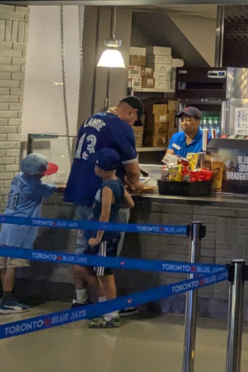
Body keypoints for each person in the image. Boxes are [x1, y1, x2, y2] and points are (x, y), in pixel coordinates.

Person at [62, 96, 142, 308]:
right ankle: (107, 305)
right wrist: (136, 184)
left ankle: (80, 299)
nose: (133, 124)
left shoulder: (90, 120)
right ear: (132, 112)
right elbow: (133, 171)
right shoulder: (121, 127)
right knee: (106, 259)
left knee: (81, 252)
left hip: (80, 192)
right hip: (103, 198)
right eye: (135, 120)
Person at [0, 154, 58, 314]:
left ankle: (6, 298)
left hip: (6, 226)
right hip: (19, 231)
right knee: (12, 265)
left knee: (5, 266)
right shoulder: (35, 186)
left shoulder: (18, 177)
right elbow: (56, 190)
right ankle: (7, 302)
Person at [85, 148, 133, 329]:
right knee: (100, 272)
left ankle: (112, 315)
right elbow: (130, 203)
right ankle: (105, 310)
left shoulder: (107, 187)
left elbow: (104, 214)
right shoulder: (117, 182)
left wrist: (98, 237)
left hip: (106, 236)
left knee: (106, 275)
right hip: (111, 233)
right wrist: (116, 206)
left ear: (101, 168)